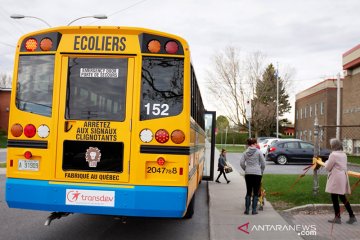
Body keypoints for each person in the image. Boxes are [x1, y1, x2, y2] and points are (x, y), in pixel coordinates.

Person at [325, 138, 357, 224]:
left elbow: (328, 167)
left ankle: (337, 217)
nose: (330, 145)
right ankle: (351, 216)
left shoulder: (333, 155)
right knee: (342, 197)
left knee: (334, 198)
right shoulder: (344, 154)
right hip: (342, 177)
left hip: (336, 178)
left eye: (331, 144)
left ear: (333, 145)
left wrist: (326, 162)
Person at [240, 138, 265, 215]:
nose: (257, 144)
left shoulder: (245, 152)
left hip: (248, 173)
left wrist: (246, 169)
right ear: (254, 143)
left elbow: (241, 163)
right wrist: (261, 171)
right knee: (256, 192)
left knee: (248, 192)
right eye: (256, 143)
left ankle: (247, 210)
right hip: (257, 174)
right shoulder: (259, 152)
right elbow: (263, 163)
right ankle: (254, 210)